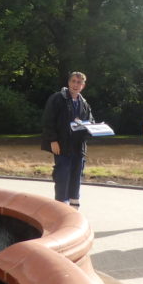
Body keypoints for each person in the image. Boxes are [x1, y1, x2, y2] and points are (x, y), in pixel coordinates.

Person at [41, 72, 93, 207]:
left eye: (79, 82)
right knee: (62, 175)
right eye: (74, 81)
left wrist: (92, 127)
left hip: (78, 147)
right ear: (69, 83)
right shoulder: (58, 98)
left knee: (76, 175)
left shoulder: (84, 103)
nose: (76, 85)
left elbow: (90, 122)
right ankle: (61, 207)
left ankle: (74, 205)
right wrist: (53, 140)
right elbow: (48, 120)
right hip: (62, 145)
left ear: (83, 85)